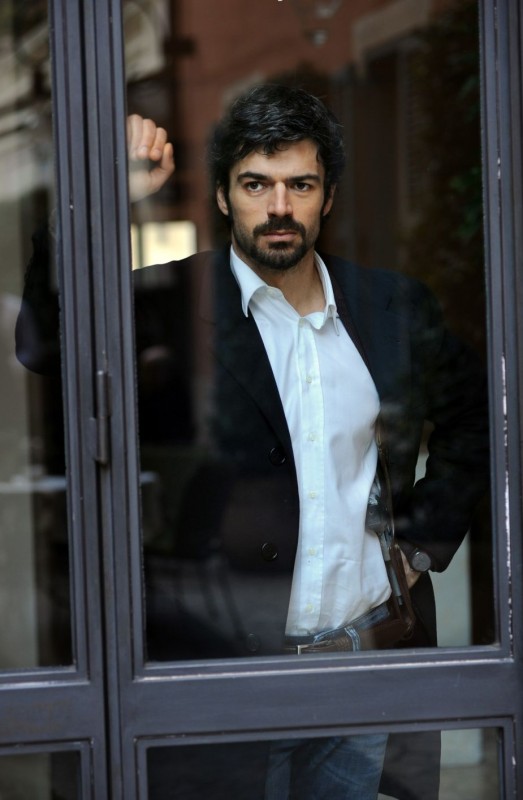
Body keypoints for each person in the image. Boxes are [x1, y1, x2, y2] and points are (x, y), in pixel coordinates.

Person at [17, 85, 489, 799]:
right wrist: (96, 197)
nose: (278, 207)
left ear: (327, 197)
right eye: (255, 184)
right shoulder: (168, 304)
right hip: (227, 679)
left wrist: (423, 539)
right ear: (222, 195)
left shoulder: (391, 306)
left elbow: (476, 415)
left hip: (365, 664)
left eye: (300, 184)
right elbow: (42, 346)